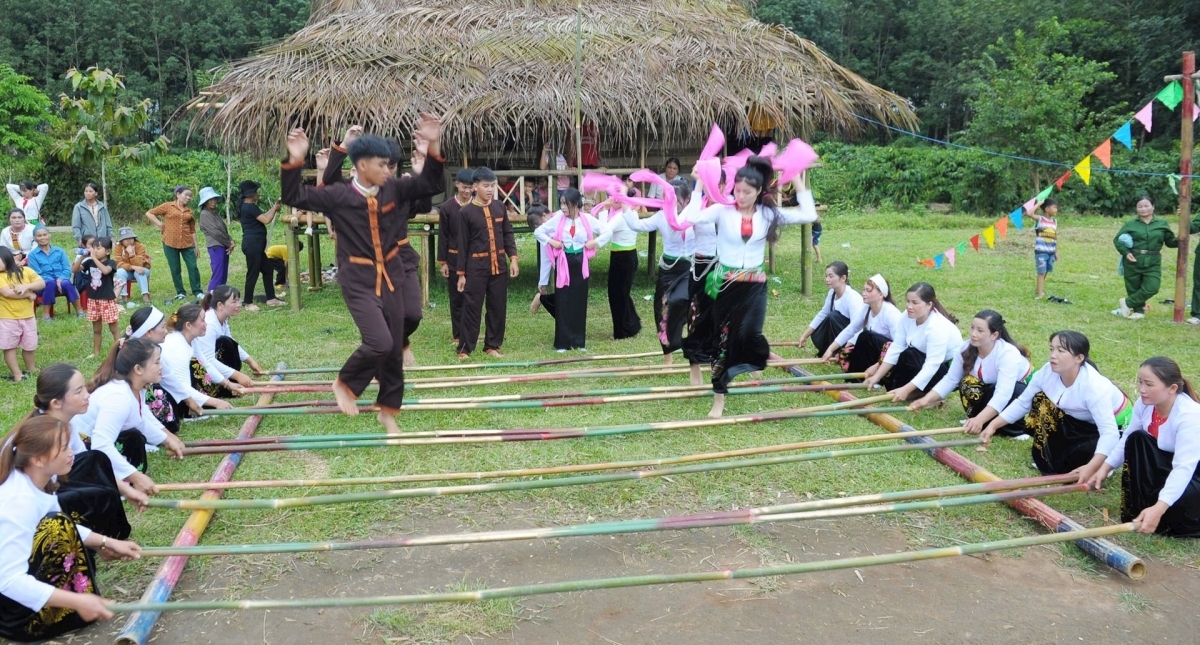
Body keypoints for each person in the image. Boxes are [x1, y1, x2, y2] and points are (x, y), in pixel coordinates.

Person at [280, 118, 445, 431]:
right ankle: (345, 383)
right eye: (382, 165)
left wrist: (434, 145)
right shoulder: (338, 195)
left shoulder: (394, 189)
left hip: (393, 275)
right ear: (362, 164)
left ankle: (387, 410)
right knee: (380, 343)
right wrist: (295, 159)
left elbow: (431, 185)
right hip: (358, 280)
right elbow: (294, 197)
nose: (388, 171)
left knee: (394, 345)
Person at [683, 156, 818, 417]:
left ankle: (747, 363)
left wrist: (798, 179)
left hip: (755, 286)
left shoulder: (767, 214)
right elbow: (692, 217)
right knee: (722, 341)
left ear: (759, 192)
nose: (740, 195)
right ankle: (719, 399)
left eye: (747, 192)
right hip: (725, 285)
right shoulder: (722, 210)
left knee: (750, 334)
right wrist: (699, 184)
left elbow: (808, 214)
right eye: (737, 190)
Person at [0, 415, 141, 643]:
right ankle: (36, 619)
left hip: (16, 586)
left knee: (59, 523)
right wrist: (77, 601)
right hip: (11, 612)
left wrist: (106, 542)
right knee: (57, 526)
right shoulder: (18, 502)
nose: (72, 452)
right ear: (38, 459)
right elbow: (8, 581)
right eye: (63, 448)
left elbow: (64, 523)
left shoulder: (41, 477)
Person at [321, 135, 427, 366]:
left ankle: (400, 341)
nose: (387, 171)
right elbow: (330, 181)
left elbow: (424, 205)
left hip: (401, 259)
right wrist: (342, 147)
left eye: (391, 166)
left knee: (412, 314)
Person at [982, 330, 1131, 481]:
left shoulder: (1094, 386)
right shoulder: (1047, 372)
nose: (1053, 355)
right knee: (1041, 401)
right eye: (1052, 349)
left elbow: (1109, 433)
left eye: (1061, 350)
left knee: (1083, 458)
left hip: (1113, 428)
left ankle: (1102, 463)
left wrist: (1093, 466)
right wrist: (993, 425)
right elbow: (1023, 402)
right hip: (1075, 420)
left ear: (1079, 358)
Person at [1088, 357, 1200, 536]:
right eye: (1140, 382)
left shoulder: (1190, 416)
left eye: (1149, 384)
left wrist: (1159, 508)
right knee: (1136, 439)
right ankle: (1145, 508)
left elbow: (1184, 468)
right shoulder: (1145, 404)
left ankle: (1159, 511)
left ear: (1172, 389)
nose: (1142, 389)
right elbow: (1126, 439)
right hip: (1167, 464)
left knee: (1179, 508)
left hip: (1193, 473)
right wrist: (1105, 468)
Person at [32, 363, 141, 539]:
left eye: (84, 388)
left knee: (95, 459)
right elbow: (35, 500)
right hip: (35, 508)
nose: (87, 394)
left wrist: (127, 491)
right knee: (87, 494)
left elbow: (89, 464)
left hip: (52, 491)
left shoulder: (67, 423)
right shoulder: (43, 436)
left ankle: (110, 533)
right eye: (78, 391)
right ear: (56, 403)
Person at [74, 336, 185, 496]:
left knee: (135, 442)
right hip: (79, 452)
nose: (161, 367)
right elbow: (101, 444)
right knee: (133, 447)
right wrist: (135, 477)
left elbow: (141, 419)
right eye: (157, 362)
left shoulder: (134, 388)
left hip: (91, 447)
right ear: (138, 369)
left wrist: (167, 439)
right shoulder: (119, 397)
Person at [910, 310, 1032, 437]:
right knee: (967, 383)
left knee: (1017, 391)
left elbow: (1003, 394)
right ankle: (978, 419)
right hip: (989, 390)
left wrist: (980, 419)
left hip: (1011, 393)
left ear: (994, 335)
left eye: (980, 330)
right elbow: (951, 379)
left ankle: (1016, 430)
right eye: (972, 328)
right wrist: (926, 400)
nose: (973, 334)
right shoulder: (965, 348)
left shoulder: (1007, 353)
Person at [623, 178, 698, 363]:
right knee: (662, 309)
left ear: (687, 199)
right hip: (668, 270)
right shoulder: (662, 215)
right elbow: (637, 225)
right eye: (667, 198)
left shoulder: (695, 213)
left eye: (675, 199)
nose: (670, 203)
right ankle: (668, 355)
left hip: (690, 269)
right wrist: (624, 202)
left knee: (692, 309)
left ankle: (695, 352)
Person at [534, 189, 612, 351]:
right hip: (563, 262)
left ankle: (578, 341)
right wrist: (552, 242)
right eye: (561, 203)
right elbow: (538, 232)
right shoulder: (557, 220)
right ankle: (562, 342)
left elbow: (607, 231)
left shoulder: (588, 220)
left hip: (580, 262)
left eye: (566, 204)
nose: (562, 207)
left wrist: (595, 243)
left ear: (576, 204)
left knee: (579, 301)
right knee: (563, 301)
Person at [455, 167, 519, 358]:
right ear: (475, 187)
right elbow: (463, 245)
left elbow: (507, 234)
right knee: (472, 307)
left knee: (498, 307)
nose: (490, 189)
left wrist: (513, 259)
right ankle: (465, 348)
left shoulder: (500, 207)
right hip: (475, 268)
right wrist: (461, 274)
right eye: (486, 186)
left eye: (493, 185)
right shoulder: (465, 212)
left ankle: (492, 345)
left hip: (498, 266)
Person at [863, 282, 962, 401]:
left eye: (915, 303)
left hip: (947, 371)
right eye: (908, 301)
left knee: (910, 355)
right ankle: (918, 392)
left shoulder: (937, 327)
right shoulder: (906, 316)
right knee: (902, 364)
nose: (909, 306)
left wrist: (906, 389)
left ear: (929, 305)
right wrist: (877, 376)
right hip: (921, 359)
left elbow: (932, 365)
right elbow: (897, 347)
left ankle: (931, 395)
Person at [159, 304, 235, 425]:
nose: (206, 324)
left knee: (198, 366)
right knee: (195, 366)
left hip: (180, 390)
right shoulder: (177, 347)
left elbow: (206, 364)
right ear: (188, 325)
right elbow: (182, 387)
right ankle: (187, 412)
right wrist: (215, 402)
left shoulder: (191, 339)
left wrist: (228, 384)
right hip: (169, 395)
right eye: (202, 320)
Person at [820, 274, 903, 374]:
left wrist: (879, 365)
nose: (864, 293)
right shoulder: (866, 308)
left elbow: (899, 345)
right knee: (857, 343)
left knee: (866, 336)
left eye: (868, 291)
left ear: (881, 294)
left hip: (890, 356)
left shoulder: (891, 314)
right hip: (876, 352)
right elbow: (851, 329)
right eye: (864, 290)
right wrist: (830, 349)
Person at [1113, 196, 1179, 319]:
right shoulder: (1131, 224)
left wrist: (1181, 240)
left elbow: (1170, 242)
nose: (1143, 209)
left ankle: (1127, 303)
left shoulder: (1162, 224)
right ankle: (1138, 311)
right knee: (1133, 286)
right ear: (1136, 209)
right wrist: (1126, 253)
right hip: (1133, 259)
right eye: (1140, 206)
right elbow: (1117, 240)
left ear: (1153, 207)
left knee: (1152, 287)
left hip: (1153, 260)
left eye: (1146, 206)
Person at [193, 285, 264, 397]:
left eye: (238, 301)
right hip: (199, 373)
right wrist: (237, 375)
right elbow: (208, 360)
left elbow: (233, 344)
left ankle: (230, 384)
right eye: (234, 302)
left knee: (228, 343)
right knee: (226, 342)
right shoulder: (210, 324)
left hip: (209, 367)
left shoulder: (222, 319)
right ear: (220, 305)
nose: (238, 305)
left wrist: (251, 361)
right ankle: (226, 387)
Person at [682, 184, 720, 386]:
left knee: (721, 317)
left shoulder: (729, 206)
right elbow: (681, 221)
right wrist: (697, 190)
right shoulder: (697, 206)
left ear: (723, 184)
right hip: (700, 266)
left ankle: (721, 362)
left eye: (718, 182)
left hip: (723, 266)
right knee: (695, 317)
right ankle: (695, 365)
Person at [145, 186, 203, 301]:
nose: (188, 197)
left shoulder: (189, 211)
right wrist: (160, 225)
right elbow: (150, 213)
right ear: (178, 194)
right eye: (186, 195)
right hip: (170, 243)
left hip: (187, 243)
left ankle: (197, 291)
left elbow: (192, 230)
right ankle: (180, 292)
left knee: (193, 267)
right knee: (175, 268)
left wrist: (196, 246)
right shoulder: (168, 206)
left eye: (190, 196)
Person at [437, 169, 475, 344]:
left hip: (475, 258)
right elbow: (443, 236)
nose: (467, 191)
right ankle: (458, 335)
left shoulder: (480, 207)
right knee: (456, 297)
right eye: (464, 187)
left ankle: (471, 332)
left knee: (473, 297)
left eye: (470, 188)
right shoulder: (446, 208)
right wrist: (443, 262)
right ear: (457, 184)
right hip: (453, 257)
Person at [797, 261, 865, 358]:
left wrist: (847, 350)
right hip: (842, 333)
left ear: (843, 278)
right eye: (826, 276)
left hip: (854, 337)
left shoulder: (853, 298)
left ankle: (837, 351)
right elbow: (822, 314)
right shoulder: (832, 293)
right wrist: (805, 335)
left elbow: (858, 328)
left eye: (831, 276)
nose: (827, 279)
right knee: (829, 319)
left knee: (833, 317)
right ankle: (829, 351)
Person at [236, 180, 283, 311]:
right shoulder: (249, 207)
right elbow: (267, 220)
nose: (257, 193)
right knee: (253, 272)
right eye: (256, 191)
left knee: (267, 269)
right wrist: (274, 208)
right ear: (250, 194)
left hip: (255, 244)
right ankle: (248, 302)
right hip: (253, 245)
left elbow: (264, 216)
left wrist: (274, 208)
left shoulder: (249, 206)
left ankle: (271, 298)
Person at [598, 195, 641, 340]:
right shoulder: (631, 213)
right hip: (627, 256)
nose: (612, 200)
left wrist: (604, 209)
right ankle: (631, 325)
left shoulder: (621, 216)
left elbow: (603, 231)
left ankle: (623, 331)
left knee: (617, 296)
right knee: (622, 293)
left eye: (616, 199)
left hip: (622, 258)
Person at [0, 246, 43, 382]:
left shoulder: (26, 271)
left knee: (30, 345)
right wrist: (29, 294)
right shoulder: (0, 277)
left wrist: (26, 287)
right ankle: (17, 374)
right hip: (7, 318)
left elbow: (41, 283)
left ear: (7, 258)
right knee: (9, 347)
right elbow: (7, 293)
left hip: (28, 316)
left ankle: (31, 367)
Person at [26, 226, 78, 321]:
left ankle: (80, 311)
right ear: (34, 238)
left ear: (49, 236)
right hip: (43, 284)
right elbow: (37, 274)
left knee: (66, 283)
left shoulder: (59, 251)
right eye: (39, 236)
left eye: (45, 235)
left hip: (61, 280)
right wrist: (54, 280)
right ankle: (46, 315)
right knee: (50, 283)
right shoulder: (32, 255)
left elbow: (66, 268)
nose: (43, 237)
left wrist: (60, 279)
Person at [80, 237, 119, 358]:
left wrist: (94, 259)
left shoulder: (110, 263)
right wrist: (82, 257)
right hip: (93, 299)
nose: (95, 251)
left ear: (107, 251)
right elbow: (74, 269)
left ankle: (121, 351)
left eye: (98, 248)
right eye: (93, 248)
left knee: (113, 328)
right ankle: (96, 353)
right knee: (96, 329)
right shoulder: (89, 262)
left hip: (106, 299)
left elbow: (106, 271)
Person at [197, 187, 233, 294]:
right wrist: (229, 243)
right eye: (210, 200)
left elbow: (223, 230)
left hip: (222, 245)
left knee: (223, 273)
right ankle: (210, 297)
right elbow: (215, 232)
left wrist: (231, 241)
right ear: (205, 202)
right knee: (218, 273)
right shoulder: (204, 214)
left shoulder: (214, 213)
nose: (213, 202)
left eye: (214, 199)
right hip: (216, 246)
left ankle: (220, 296)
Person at [114, 227, 151, 308]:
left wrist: (131, 254)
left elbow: (140, 264)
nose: (128, 240)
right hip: (128, 271)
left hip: (143, 269)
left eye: (130, 238)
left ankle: (145, 296)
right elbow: (119, 263)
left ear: (134, 238)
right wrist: (133, 267)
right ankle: (124, 298)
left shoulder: (140, 246)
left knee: (139, 271)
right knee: (120, 271)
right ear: (121, 241)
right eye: (125, 239)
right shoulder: (118, 248)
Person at [1034, 199, 1059, 299]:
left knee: (1046, 270)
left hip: (1051, 251)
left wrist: (1056, 251)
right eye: (1055, 207)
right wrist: (1039, 204)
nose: (1056, 209)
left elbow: (1055, 237)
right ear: (1047, 209)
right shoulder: (1040, 219)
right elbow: (1029, 213)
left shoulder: (1055, 222)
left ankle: (1038, 288)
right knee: (1041, 272)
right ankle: (1040, 294)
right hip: (1041, 251)